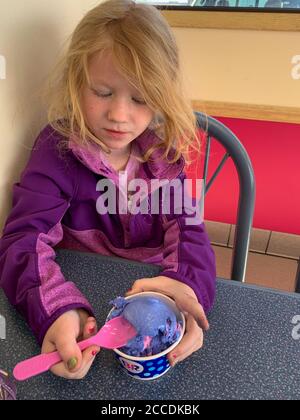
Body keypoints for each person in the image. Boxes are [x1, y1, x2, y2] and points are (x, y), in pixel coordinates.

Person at [0, 0, 216, 380]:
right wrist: (54, 311)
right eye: (102, 91)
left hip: (151, 303)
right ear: (75, 83)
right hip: (80, 305)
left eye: (139, 98)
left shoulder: (163, 156)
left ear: (161, 98)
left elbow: (191, 235)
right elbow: (23, 241)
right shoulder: (56, 151)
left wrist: (184, 289)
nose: (119, 115)